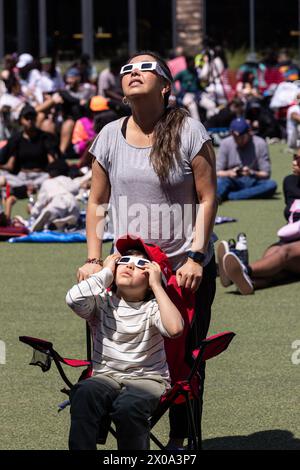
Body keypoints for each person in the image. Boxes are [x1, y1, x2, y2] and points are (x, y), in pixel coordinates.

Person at [77, 50, 218, 450]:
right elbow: (96, 203)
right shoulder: (107, 134)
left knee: (185, 360)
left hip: (182, 270)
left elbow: (208, 198)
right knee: (113, 354)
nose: (134, 73)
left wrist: (196, 256)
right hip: (128, 273)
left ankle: (179, 441)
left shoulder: (190, 130)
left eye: (145, 68)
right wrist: (93, 259)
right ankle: (114, 436)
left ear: (166, 86)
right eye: (127, 69)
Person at [66, 237, 184, 450]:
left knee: (128, 407)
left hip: (148, 379)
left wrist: (157, 286)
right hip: (105, 376)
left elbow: (175, 329)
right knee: (84, 394)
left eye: (142, 265)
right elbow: (73, 299)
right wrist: (106, 273)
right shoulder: (101, 303)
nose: (130, 265)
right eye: (125, 260)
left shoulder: (152, 307)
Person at [217, 158, 300, 294]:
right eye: (294, 158)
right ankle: (242, 279)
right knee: (272, 262)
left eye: (299, 160)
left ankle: (243, 269)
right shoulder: (290, 182)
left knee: (284, 253)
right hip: (290, 239)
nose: (294, 162)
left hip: (291, 246)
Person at [216, 117, 277, 202]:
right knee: (220, 182)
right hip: (231, 180)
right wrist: (229, 173)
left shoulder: (260, 143)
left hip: (253, 180)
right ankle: (217, 197)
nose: (238, 140)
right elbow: (217, 172)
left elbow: (266, 174)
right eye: (235, 136)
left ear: (249, 133)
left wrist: (251, 172)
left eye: (241, 136)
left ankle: (230, 195)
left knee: (271, 185)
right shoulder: (225, 143)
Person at [0, 104, 58, 190]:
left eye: (33, 117)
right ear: (21, 120)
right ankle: (25, 187)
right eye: (27, 118)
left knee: (52, 177)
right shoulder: (16, 139)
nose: (30, 120)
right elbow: (10, 165)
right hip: (21, 177)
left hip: (41, 176)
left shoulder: (45, 138)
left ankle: (26, 188)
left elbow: (52, 163)